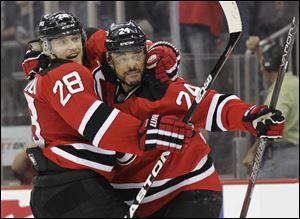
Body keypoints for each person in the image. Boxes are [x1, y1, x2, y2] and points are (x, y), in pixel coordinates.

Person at [85, 20, 285, 218]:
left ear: (145, 55)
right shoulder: (98, 84)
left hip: (189, 187)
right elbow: (89, 36)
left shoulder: (161, 87)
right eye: (122, 58)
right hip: (137, 202)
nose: (131, 65)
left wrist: (250, 117)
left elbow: (212, 105)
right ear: (109, 59)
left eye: (136, 55)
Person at [22, 12, 194, 218]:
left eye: (75, 39)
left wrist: (154, 50)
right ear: (47, 47)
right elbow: (97, 123)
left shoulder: (50, 70)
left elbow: (118, 42)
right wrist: (148, 133)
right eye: (62, 42)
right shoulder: (65, 73)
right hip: (73, 189)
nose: (72, 47)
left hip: (57, 189)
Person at [243, 41, 299, 178]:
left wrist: (252, 151)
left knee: (258, 189)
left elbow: (272, 123)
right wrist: (258, 50)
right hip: (293, 154)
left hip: (285, 156)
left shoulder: (281, 90)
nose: (261, 69)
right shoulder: (293, 82)